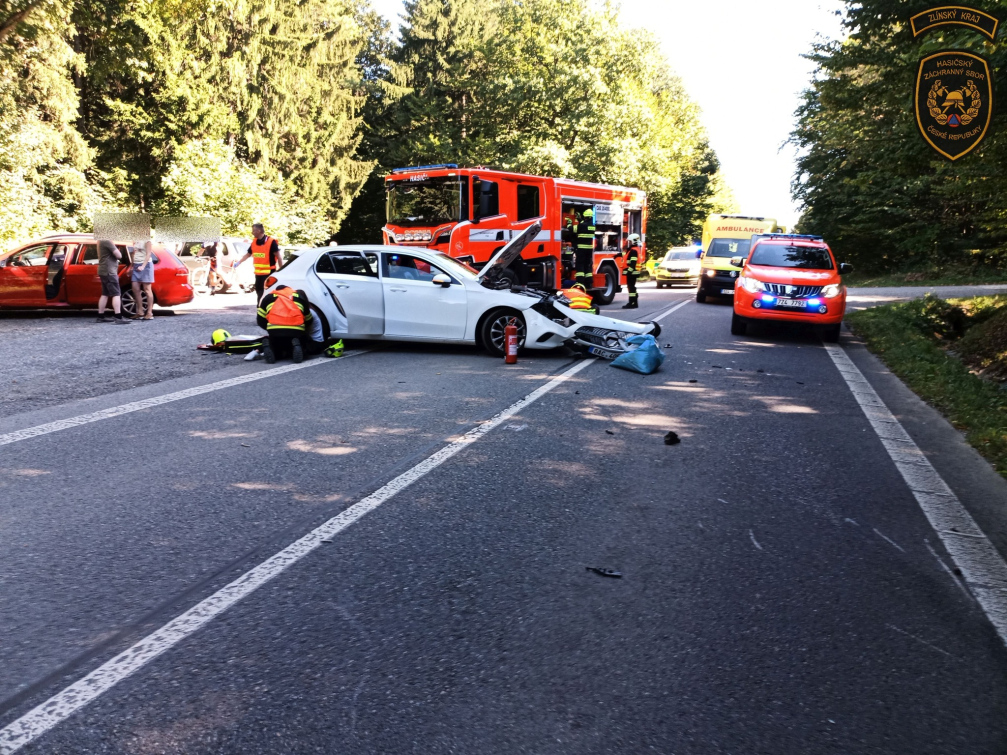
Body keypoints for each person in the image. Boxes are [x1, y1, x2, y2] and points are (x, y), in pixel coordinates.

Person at [256, 285, 317, 364]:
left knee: (276, 344)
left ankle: (271, 348)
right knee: (302, 341)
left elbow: (260, 320)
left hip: (275, 330)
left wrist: (270, 327)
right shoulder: (299, 297)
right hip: (296, 330)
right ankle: (297, 346)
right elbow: (309, 319)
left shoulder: (269, 297)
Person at [235, 223, 282, 302]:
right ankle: (260, 307)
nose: (252, 232)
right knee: (258, 291)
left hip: (269, 273)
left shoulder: (271, 242)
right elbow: (248, 254)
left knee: (267, 292)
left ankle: (264, 308)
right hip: (258, 274)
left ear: (259, 231)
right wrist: (239, 262)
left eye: (253, 231)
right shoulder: (254, 242)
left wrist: (281, 270)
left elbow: (279, 257)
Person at [96, 239, 129, 324]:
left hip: (103, 270)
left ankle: (101, 316)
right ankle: (118, 317)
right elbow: (119, 256)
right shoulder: (107, 241)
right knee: (116, 294)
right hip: (109, 271)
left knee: (105, 294)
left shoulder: (100, 241)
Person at [130, 240, 156, 320]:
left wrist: (143, 266)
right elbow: (134, 253)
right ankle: (140, 312)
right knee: (135, 288)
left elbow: (148, 254)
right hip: (136, 265)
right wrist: (132, 266)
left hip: (146, 265)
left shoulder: (147, 241)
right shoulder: (135, 240)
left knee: (147, 289)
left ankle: (149, 312)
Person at [574, 208, 596, 297]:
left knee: (580, 266)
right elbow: (584, 225)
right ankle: (589, 283)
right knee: (587, 267)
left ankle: (580, 283)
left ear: (585, 217)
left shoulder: (582, 226)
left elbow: (573, 229)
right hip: (589, 250)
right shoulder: (592, 226)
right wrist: (580, 220)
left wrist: (568, 223)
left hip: (581, 249)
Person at [622, 233, 642, 309]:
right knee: (632, 287)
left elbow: (633, 264)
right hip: (634, 272)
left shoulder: (633, 251)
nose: (628, 243)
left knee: (631, 288)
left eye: (630, 241)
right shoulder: (634, 249)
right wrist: (618, 255)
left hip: (632, 273)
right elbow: (626, 255)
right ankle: (634, 303)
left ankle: (632, 303)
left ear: (633, 241)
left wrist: (629, 272)